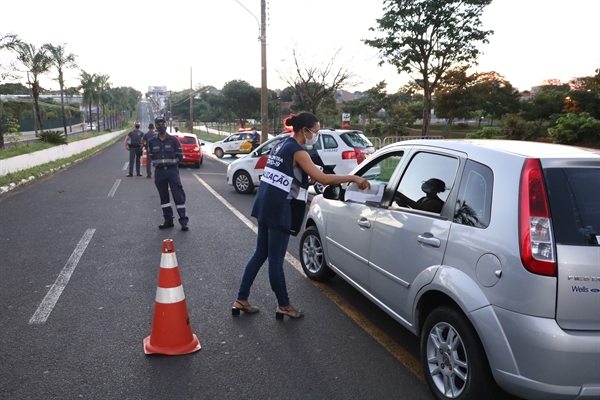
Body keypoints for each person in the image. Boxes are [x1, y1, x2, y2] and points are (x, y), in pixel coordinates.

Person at [231, 112, 370, 320]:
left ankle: (241, 299)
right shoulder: (298, 151)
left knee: (260, 253)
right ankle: (284, 305)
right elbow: (322, 177)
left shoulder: (281, 145)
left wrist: (310, 178)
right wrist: (353, 177)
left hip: (264, 204)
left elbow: (290, 176)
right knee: (276, 261)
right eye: (315, 131)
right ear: (304, 130)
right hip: (279, 208)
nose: (316, 135)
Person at [147, 116, 189, 231]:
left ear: (166, 125)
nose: (161, 126)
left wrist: (173, 164)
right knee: (164, 197)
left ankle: (183, 221)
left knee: (178, 195)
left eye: (163, 124)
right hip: (160, 173)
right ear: (155, 126)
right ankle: (168, 220)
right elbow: (150, 156)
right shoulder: (152, 141)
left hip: (172, 172)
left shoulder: (174, 140)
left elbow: (179, 155)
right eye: (159, 124)